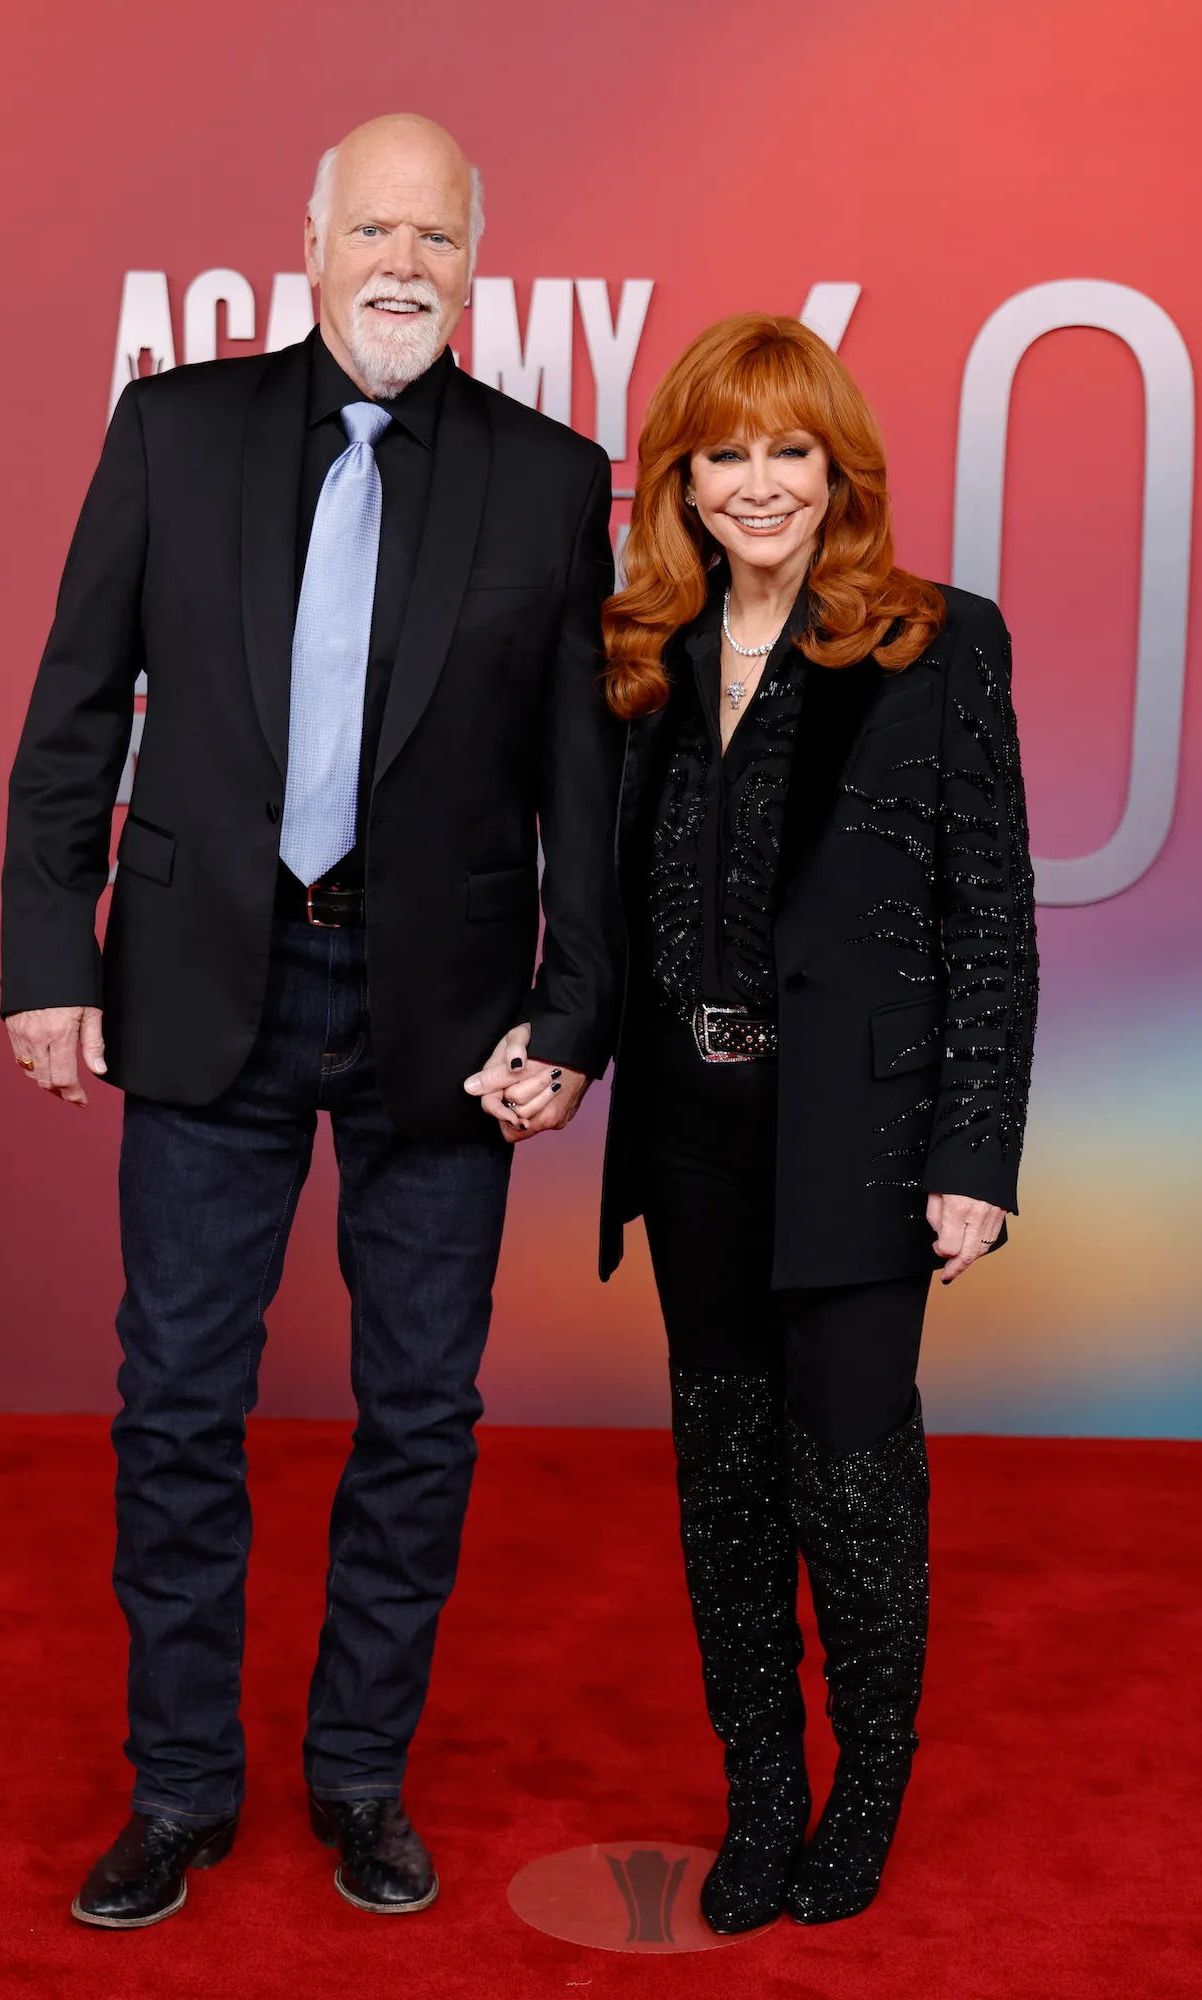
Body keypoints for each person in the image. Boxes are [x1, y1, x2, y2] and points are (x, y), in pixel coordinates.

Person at [1, 113, 623, 1929]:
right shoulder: (172, 431)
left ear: (474, 259)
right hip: (202, 987)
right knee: (176, 1403)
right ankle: (182, 1786)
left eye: (436, 235)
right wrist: (53, 953)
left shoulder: (547, 476)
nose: (403, 263)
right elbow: (70, 715)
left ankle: (360, 1776)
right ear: (312, 238)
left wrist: (570, 1011)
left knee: (420, 1411)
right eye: (374, 228)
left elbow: (579, 794)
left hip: (442, 1010)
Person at [593, 314, 1037, 1930]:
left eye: (790, 451)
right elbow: (613, 903)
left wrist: (972, 1157)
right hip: (693, 1134)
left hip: (857, 1141)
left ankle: (864, 1789)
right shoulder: (641, 649)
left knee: (849, 1480)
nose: (759, 483)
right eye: (726, 453)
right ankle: (761, 1797)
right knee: (721, 1484)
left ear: (837, 469)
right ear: (683, 479)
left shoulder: (936, 641)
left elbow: (989, 914)